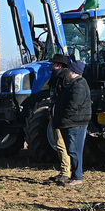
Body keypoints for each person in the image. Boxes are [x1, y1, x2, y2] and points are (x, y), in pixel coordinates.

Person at [50, 55, 91, 187]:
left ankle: (76, 177)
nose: (66, 72)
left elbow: (73, 105)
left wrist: (64, 119)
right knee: (71, 149)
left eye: (69, 70)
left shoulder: (78, 86)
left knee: (74, 150)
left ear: (73, 72)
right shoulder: (72, 84)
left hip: (75, 123)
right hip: (71, 122)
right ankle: (73, 175)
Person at [46, 54, 72, 185]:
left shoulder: (60, 77)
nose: (51, 65)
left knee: (61, 144)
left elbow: (59, 99)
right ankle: (64, 171)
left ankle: (66, 172)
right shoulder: (59, 77)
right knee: (60, 143)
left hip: (58, 116)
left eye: (53, 63)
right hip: (56, 115)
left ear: (59, 65)